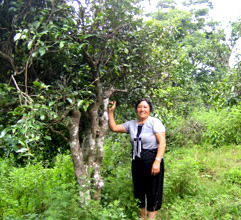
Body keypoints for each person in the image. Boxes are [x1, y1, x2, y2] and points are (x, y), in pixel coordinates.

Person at [108, 98, 166, 220]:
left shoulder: (154, 122)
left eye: (145, 107)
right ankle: (142, 218)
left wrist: (157, 161)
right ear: (136, 109)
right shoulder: (131, 124)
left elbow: (162, 143)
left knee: (153, 190)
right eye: (140, 107)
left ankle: (151, 218)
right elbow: (113, 127)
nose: (142, 109)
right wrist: (110, 112)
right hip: (137, 161)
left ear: (149, 109)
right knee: (139, 190)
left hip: (152, 160)